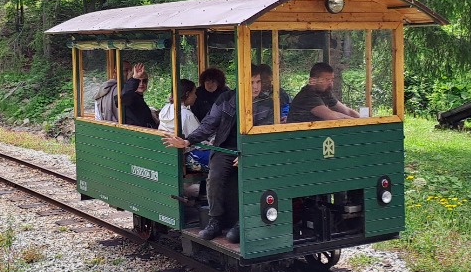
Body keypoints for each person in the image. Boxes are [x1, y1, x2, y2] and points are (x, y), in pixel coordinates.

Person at [163, 66, 263, 244]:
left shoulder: (267, 103)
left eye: (258, 82)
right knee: (214, 176)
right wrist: (188, 141)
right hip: (226, 147)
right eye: (251, 82)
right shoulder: (226, 99)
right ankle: (215, 219)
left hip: (254, 150)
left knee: (251, 177)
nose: (255, 87)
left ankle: (244, 221)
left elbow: (267, 131)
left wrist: (252, 153)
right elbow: (209, 124)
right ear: (241, 82)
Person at [286, 62, 361, 123]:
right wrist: (355, 122)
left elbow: (346, 111)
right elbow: (332, 116)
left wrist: (363, 119)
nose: (330, 83)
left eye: (332, 80)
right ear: (313, 80)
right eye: (327, 80)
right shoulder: (307, 95)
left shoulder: (325, 92)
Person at [120, 63, 159, 128]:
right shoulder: (132, 97)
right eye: (138, 81)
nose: (141, 84)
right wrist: (135, 78)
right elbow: (124, 98)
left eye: (144, 81)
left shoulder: (139, 97)